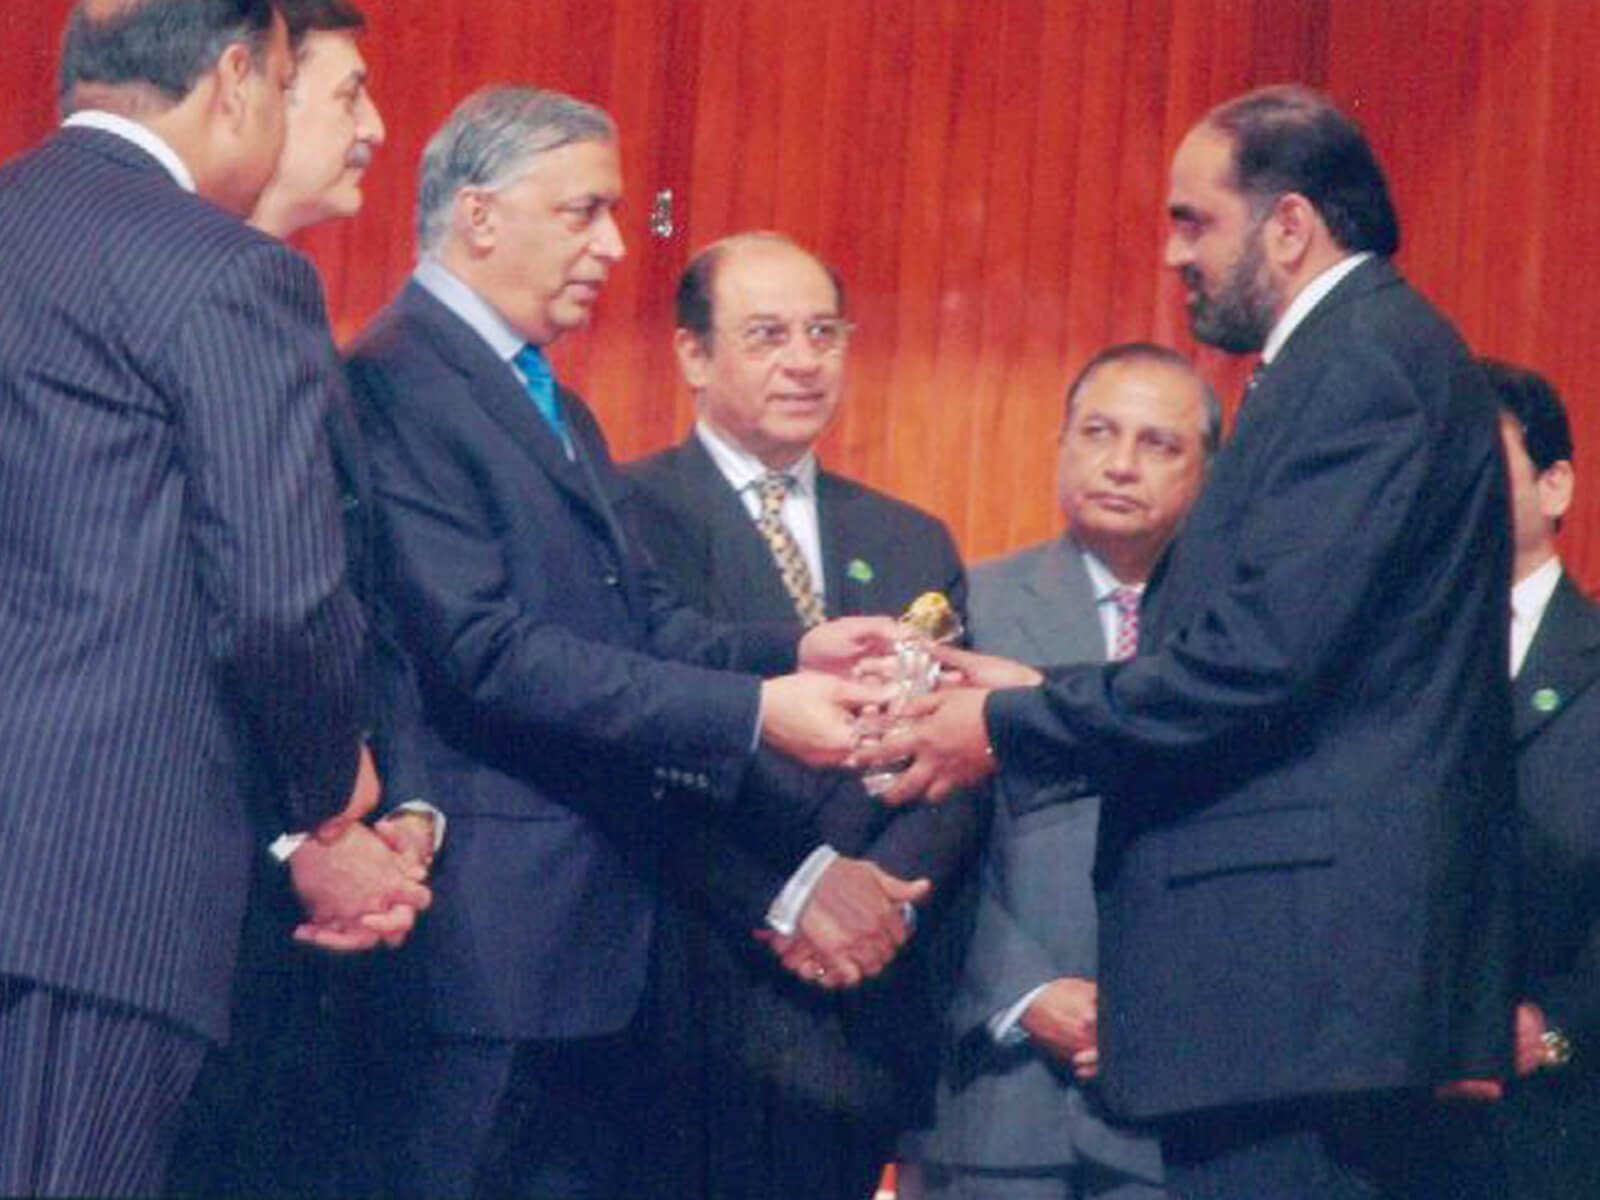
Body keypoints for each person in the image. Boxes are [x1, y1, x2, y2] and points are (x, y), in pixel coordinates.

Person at [863, 84, 1517, 1199]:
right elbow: (1278, 657)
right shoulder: (1352, 357)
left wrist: (1004, 724)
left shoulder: (1360, 367)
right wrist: (1037, 685)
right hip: (1300, 1007)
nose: (1173, 255)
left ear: (1290, 224)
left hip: (1303, 998)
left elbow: (1257, 667)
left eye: (1193, 221)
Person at [344, 87, 902, 1198]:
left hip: (585, 951)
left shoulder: (552, 401)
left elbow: (647, 624)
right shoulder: (397, 378)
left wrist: (795, 657)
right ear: (480, 215)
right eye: (585, 211)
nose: (613, 245)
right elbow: (482, 652)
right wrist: (754, 714)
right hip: (484, 945)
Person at [0, 1, 420, 1193]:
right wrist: (331, 790)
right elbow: (279, 603)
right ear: (235, 77)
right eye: (288, 86)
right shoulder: (228, 273)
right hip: (95, 889)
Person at [621, 231, 983, 1199]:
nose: (804, 360)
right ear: (693, 354)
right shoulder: (625, 515)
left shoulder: (909, 538)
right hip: (693, 991)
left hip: (858, 1006)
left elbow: (959, 756)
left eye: (824, 333)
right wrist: (791, 893)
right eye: (768, 334)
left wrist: (882, 901)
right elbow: (628, 740)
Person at [168, 4, 436, 1195]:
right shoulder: (190, 309)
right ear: (259, 96)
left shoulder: (297, 315)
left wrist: (400, 813)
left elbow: (360, 609)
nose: (375, 127)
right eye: (348, 93)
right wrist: (312, 834)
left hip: (300, 911)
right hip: (192, 894)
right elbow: (220, 614)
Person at [903, 343, 1219, 1200]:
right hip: (994, 1090)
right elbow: (913, 830)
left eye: (1159, 444)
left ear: (1210, 472)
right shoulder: (966, 606)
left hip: (1180, 1103)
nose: (1120, 464)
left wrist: (1154, 1011)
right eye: (1098, 433)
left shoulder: (1239, 641)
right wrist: (1022, 991)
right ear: (1061, 444)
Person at [1429, 360, 1600, 1198]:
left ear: (1555, 484)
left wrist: (1558, 1027)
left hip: (1558, 1121)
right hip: (1381, 1117)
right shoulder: (1382, 660)